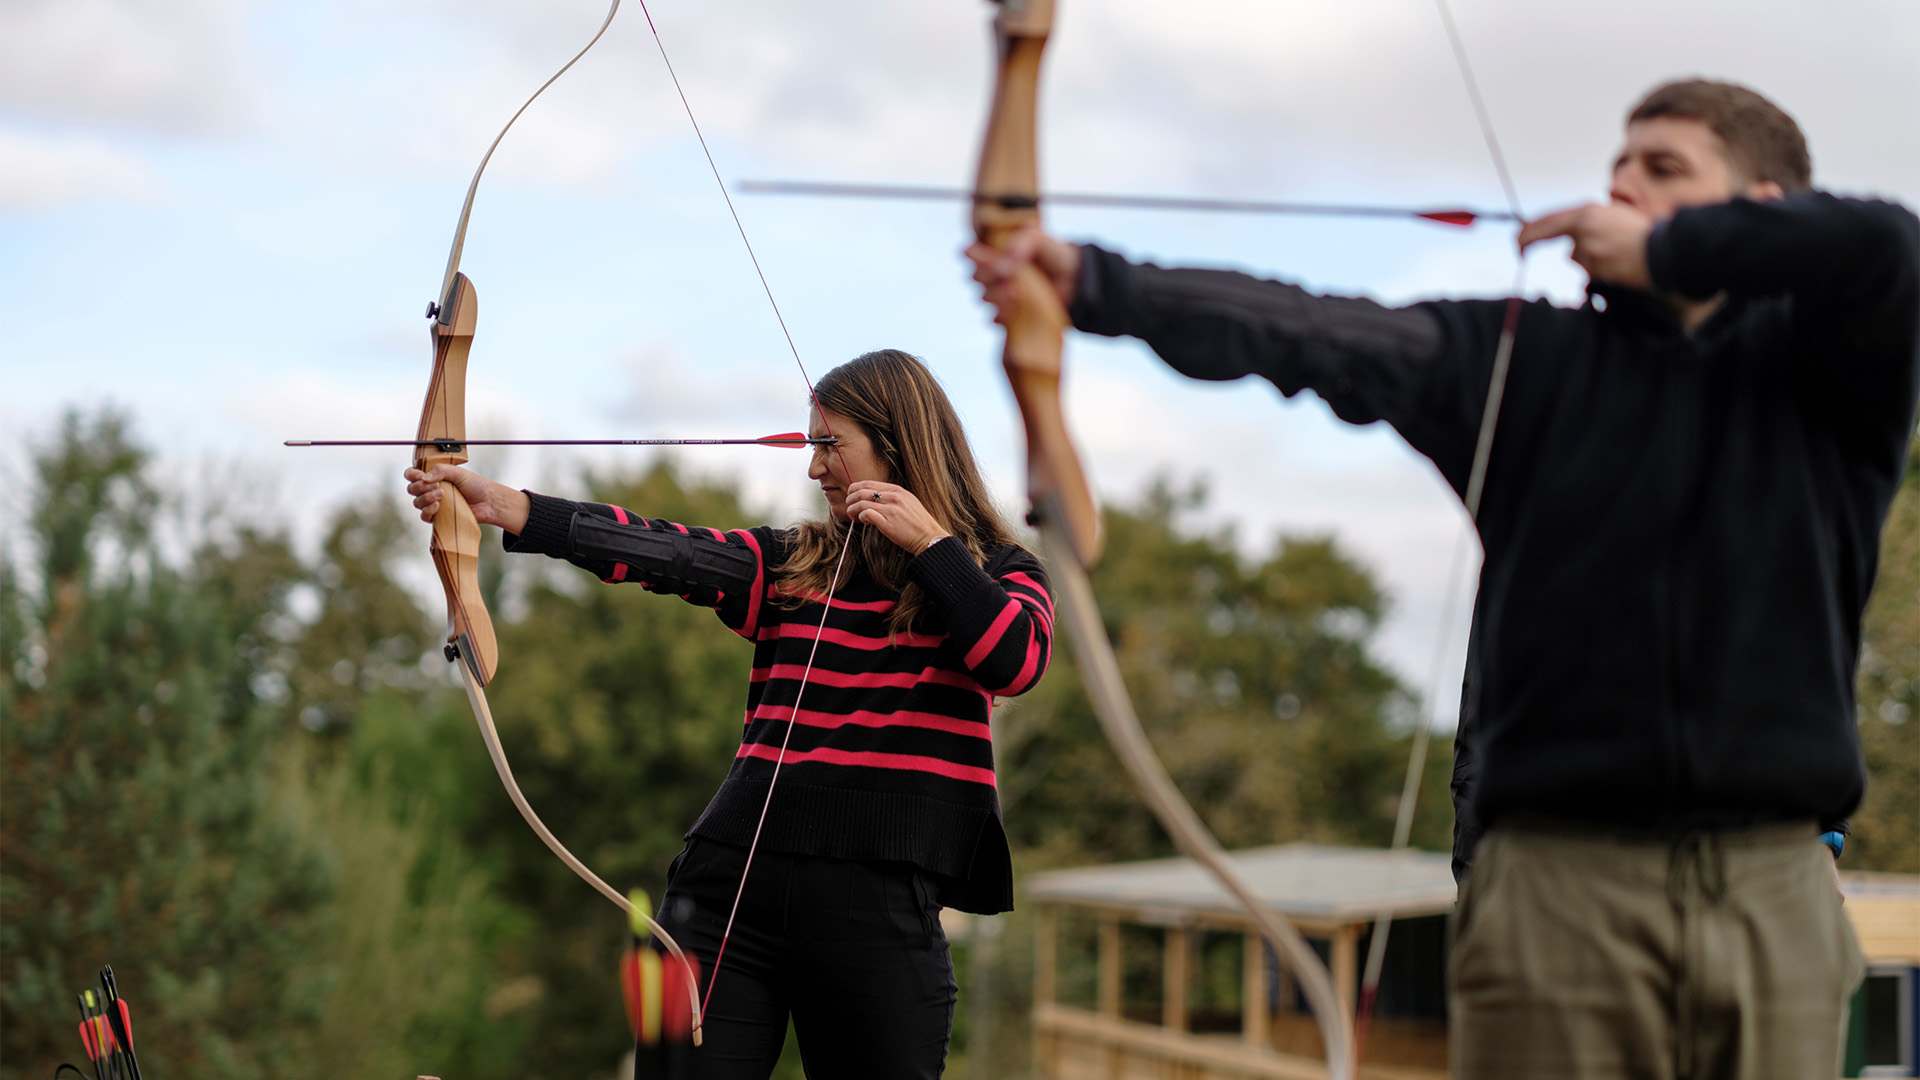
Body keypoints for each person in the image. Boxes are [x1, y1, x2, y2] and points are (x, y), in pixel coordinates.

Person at [968, 79, 1919, 1079]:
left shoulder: (1833, 380)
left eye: (1663, 168)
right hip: (1558, 890)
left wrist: (1670, 252)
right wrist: (1092, 283)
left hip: (1774, 886)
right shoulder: (1523, 359)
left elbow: (1889, 247)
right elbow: (1317, 330)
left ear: (1760, 212)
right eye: (1616, 168)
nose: (1619, 187)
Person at [406, 349, 1053, 1079]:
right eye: (812, 444)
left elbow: (1016, 661)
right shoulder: (794, 564)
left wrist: (933, 547)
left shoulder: (999, 573)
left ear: (898, 442)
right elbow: (663, 551)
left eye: (830, 443)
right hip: (727, 895)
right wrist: (506, 507)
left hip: (879, 910)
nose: (814, 468)